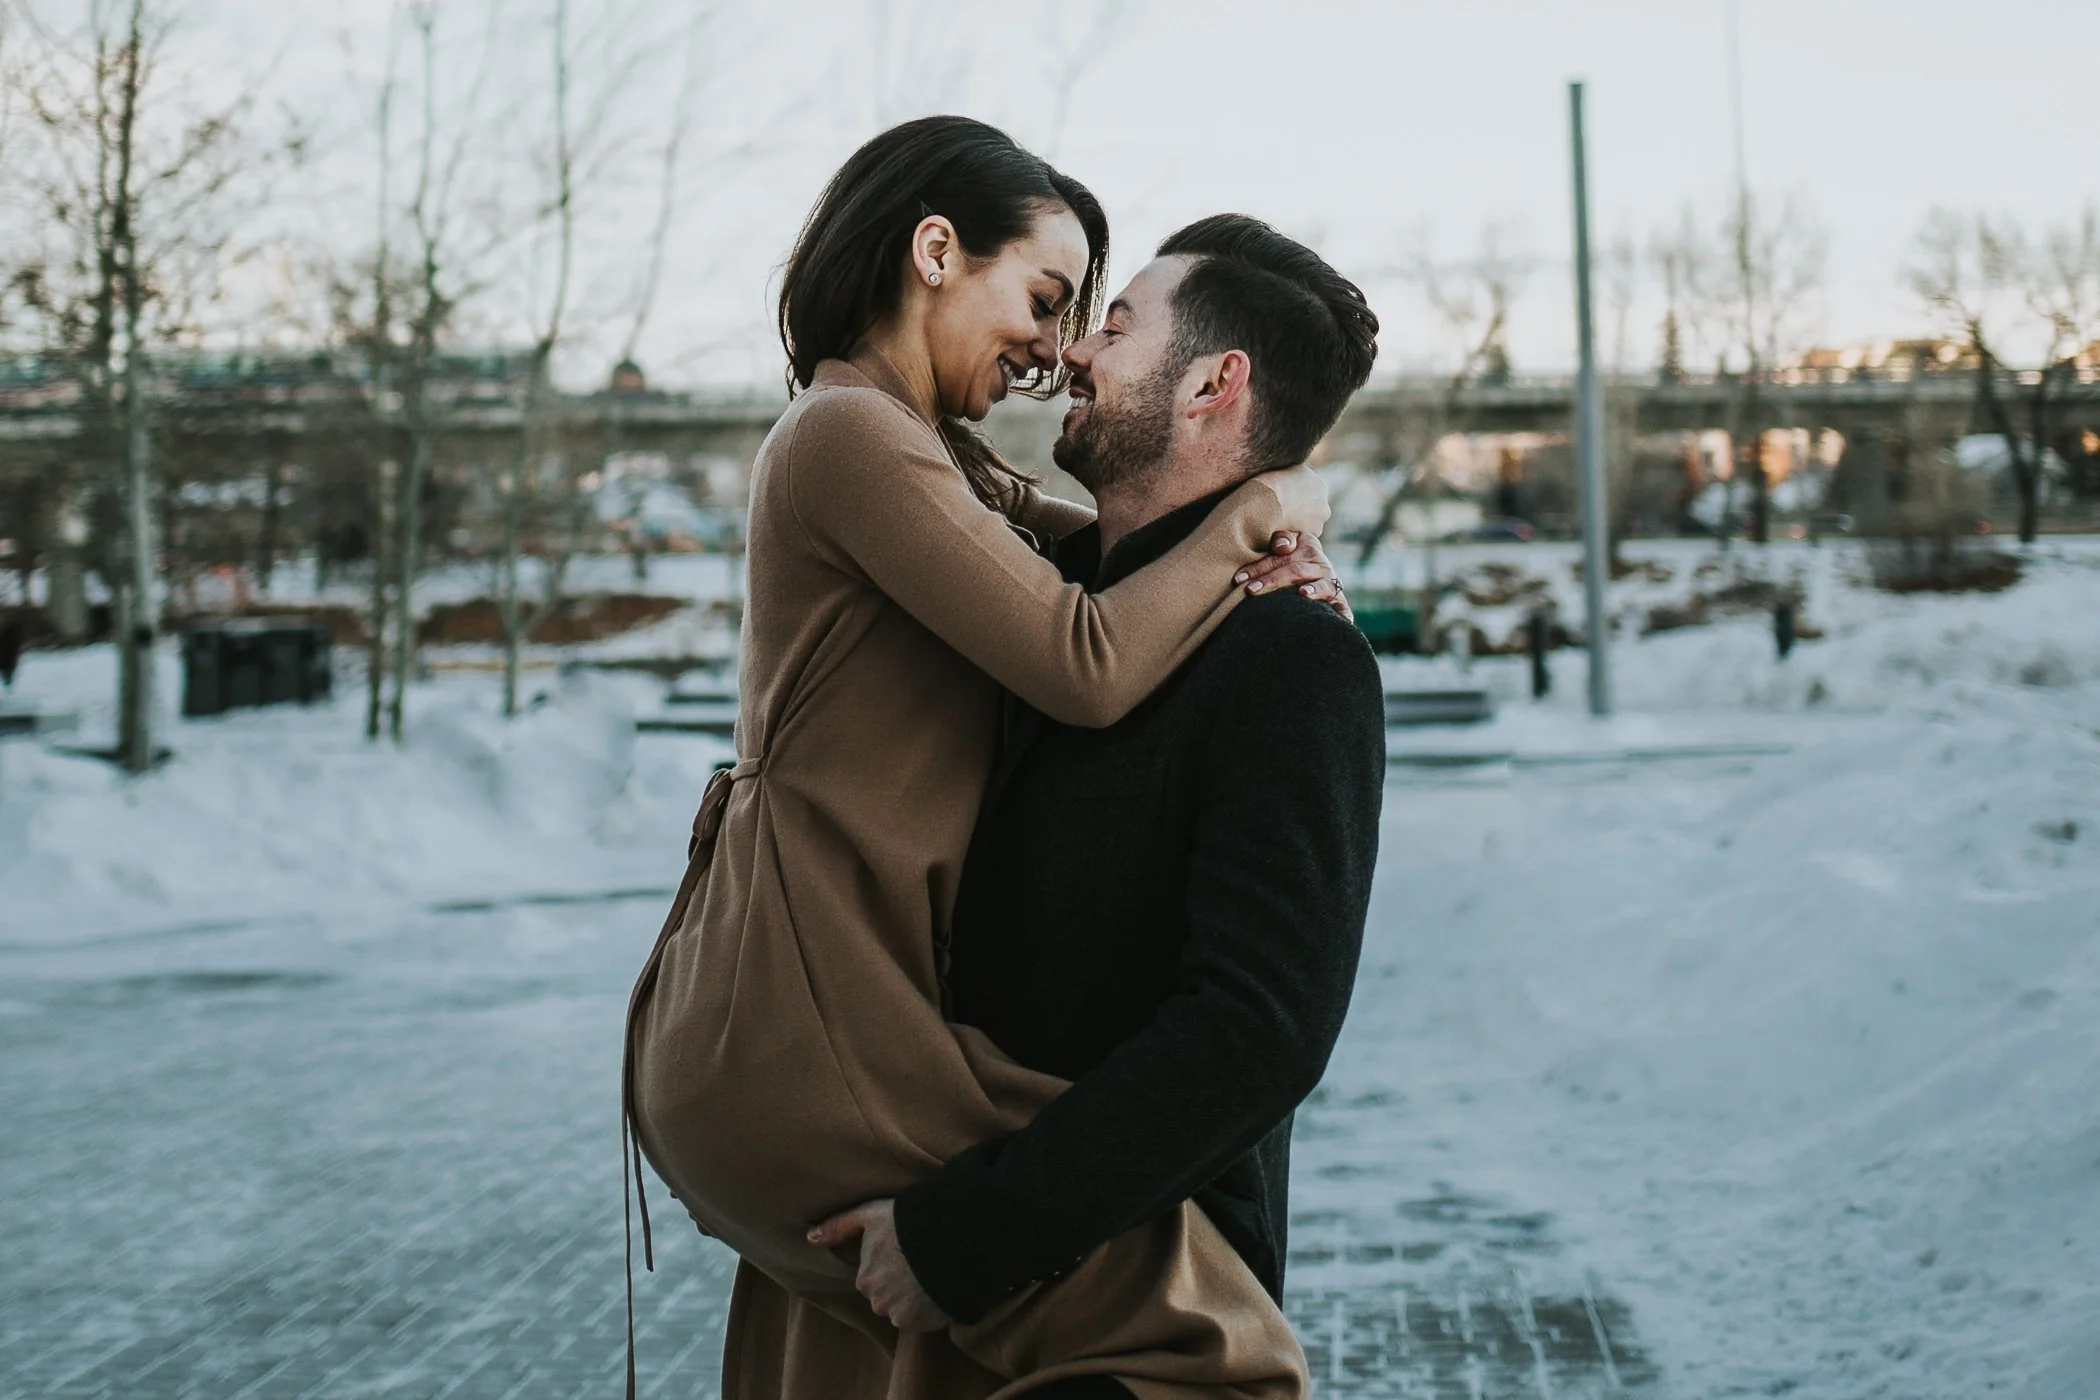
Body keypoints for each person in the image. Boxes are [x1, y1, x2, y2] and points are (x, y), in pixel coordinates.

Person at [624, 118, 1347, 1400]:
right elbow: (1081, 648)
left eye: (1094, 320)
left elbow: (1091, 548)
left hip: (828, 1008)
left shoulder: (935, 460)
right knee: (1207, 1348)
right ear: (936, 251)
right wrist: (1258, 510)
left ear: (1211, 381)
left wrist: (1250, 558)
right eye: (1051, 298)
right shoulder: (847, 434)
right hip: (803, 1003)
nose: (1060, 348)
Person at [810, 216, 1387, 1396]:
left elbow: (1257, 1027)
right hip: (930, 1272)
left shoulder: (1286, 653)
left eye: (1118, 326)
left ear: (1214, 385)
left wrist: (976, 1236)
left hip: (1126, 1307)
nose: (1074, 351)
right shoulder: (1033, 604)